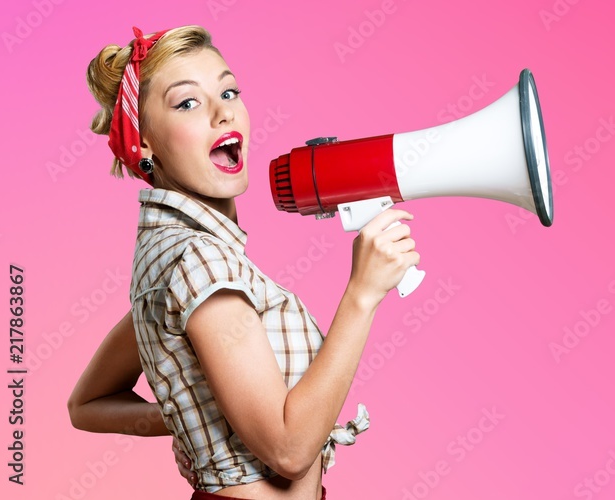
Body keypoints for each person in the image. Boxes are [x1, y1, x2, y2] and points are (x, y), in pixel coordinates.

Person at [66, 25, 420, 499]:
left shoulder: (173, 258)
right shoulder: (200, 261)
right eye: (187, 102)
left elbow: (85, 404)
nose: (222, 111)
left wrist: (194, 414)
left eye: (228, 91)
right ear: (143, 143)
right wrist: (363, 294)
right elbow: (290, 451)